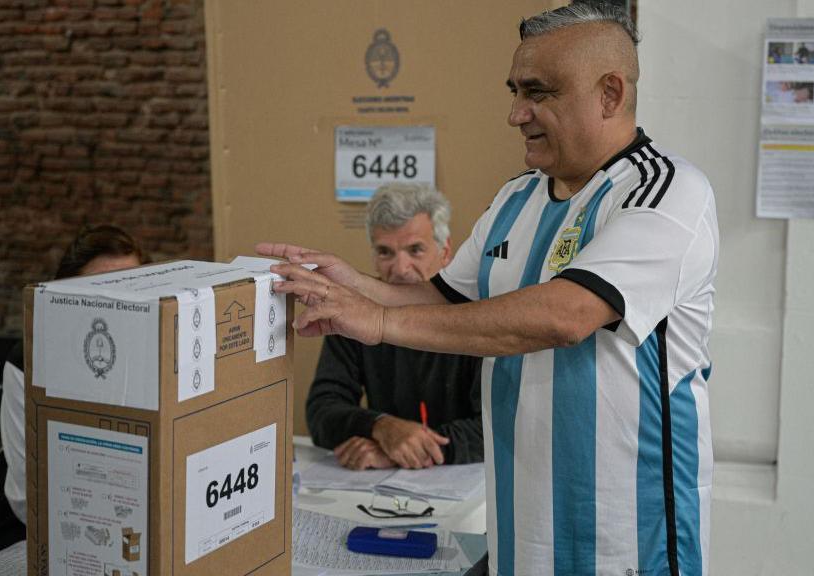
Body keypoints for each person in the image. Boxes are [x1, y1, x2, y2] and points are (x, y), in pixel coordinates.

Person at [259, 4, 718, 576]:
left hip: (626, 548)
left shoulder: (667, 193)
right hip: (518, 541)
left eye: (538, 92)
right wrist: (351, 286)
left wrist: (378, 322)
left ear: (609, 94)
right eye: (514, 91)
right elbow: (444, 299)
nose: (515, 113)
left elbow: (565, 317)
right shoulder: (516, 198)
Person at [0, 225, 149, 558]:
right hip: (29, 536)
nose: (116, 305)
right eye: (99, 290)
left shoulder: (145, 359)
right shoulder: (30, 360)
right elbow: (27, 498)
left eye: (132, 289)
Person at [307, 183, 483, 470]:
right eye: (386, 252)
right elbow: (321, 410)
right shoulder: (356, 315)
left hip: (470, 485)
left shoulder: (478, 314)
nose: (401, 268)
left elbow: (493, 429)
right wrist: (381, 427)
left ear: (446, 250)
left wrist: (402, 451)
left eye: (415, 250)